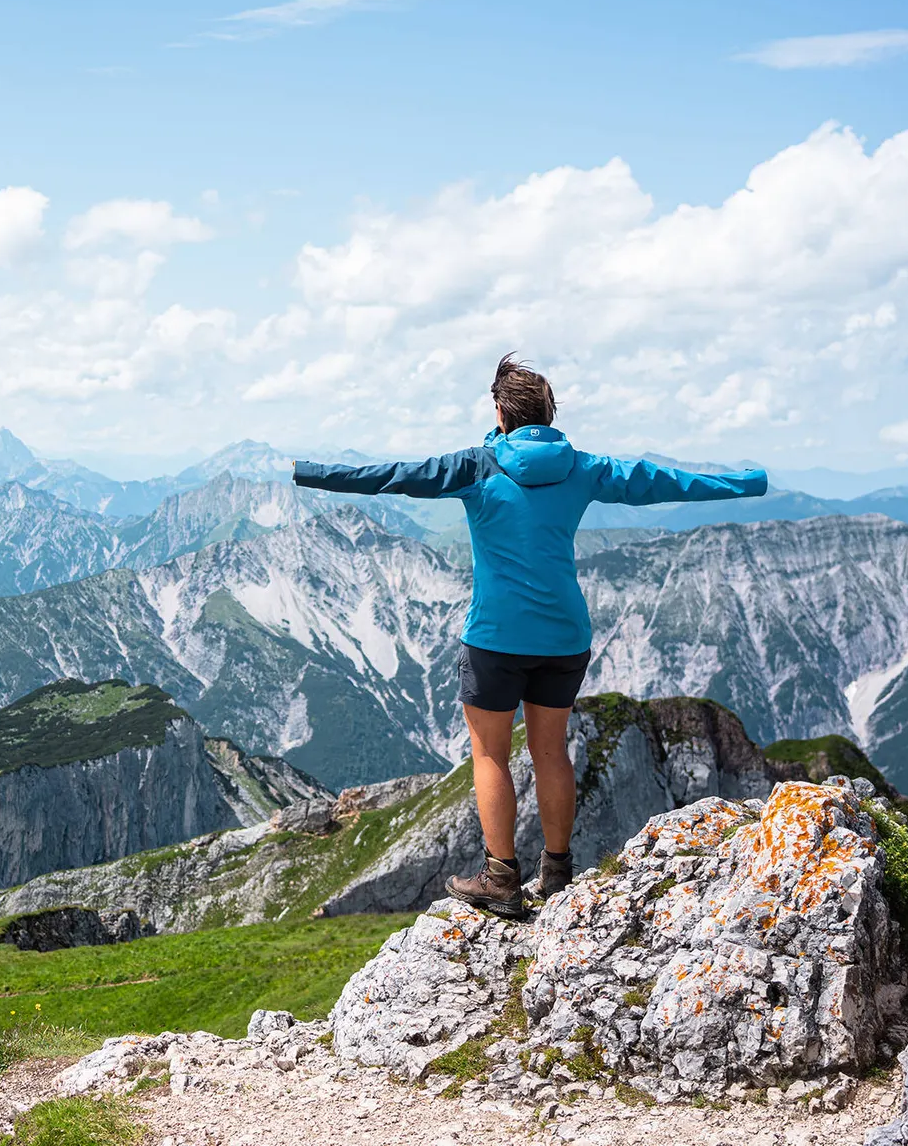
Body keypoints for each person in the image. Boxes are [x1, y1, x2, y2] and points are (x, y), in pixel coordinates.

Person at [291, 353, 767, 919]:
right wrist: (747, 482)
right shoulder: (585, 467)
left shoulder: (476, 466)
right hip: (565, 638)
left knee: (490, 753)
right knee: (550, 752)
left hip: (495, 638)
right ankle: (558, 872)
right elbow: (665, 482)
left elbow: (392, 476)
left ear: (499, 412)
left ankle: (500, 879)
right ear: (550, 412)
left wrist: (311, 471)